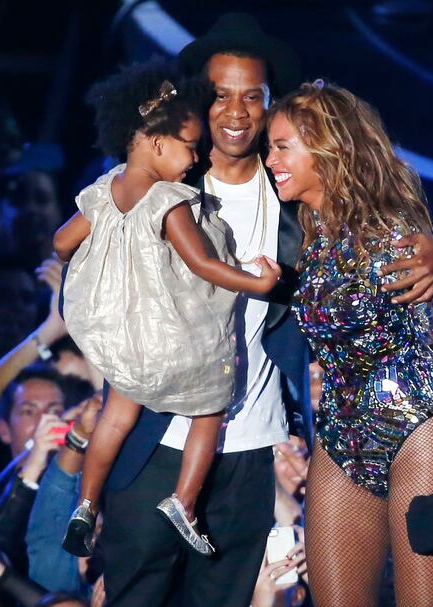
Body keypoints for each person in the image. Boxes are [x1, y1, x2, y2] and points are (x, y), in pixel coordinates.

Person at [95, 14, 433, 607]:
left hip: (255, 448)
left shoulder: (298, 198)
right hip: (156, 436)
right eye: (220, 96)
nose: (236, 112)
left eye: (253, 97)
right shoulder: (153, 188)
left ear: (270, 106)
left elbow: (386, 231)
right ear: (197, 102)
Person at [265, 81, 433, 607]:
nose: (271, 157)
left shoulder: (391, 234)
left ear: (327, 148)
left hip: (419, 433)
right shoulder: (315, 235)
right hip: (341, 438)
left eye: (283, 146)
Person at [54, 62, 281, 557]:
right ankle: (184, 500)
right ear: (157, 145)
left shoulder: (104, 191)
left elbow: (60, 241)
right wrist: (256, 281)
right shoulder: (170, 200)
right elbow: (202, 264)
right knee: (212, 407)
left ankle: (86, 505)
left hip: (127, 340)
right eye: (189, 146)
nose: (196, 158)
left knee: (115, 417)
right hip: (176, 336)